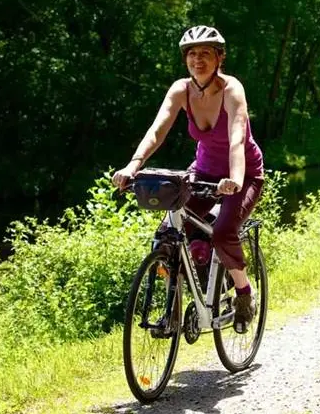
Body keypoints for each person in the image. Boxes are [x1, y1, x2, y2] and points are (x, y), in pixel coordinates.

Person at [113, 25, 265, 328]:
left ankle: (244, 292)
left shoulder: (231, 89)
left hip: (243, 174)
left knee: (223, 232)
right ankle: (178, 301)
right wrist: (133, 166)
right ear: (186, 60)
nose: (198, 60)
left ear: (219, 58)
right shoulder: (181, 89)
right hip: (204, 171)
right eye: (192, 54)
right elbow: (157, 131)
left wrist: (235, 178)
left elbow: (237, 137)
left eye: (206, 54)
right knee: (167, 236)